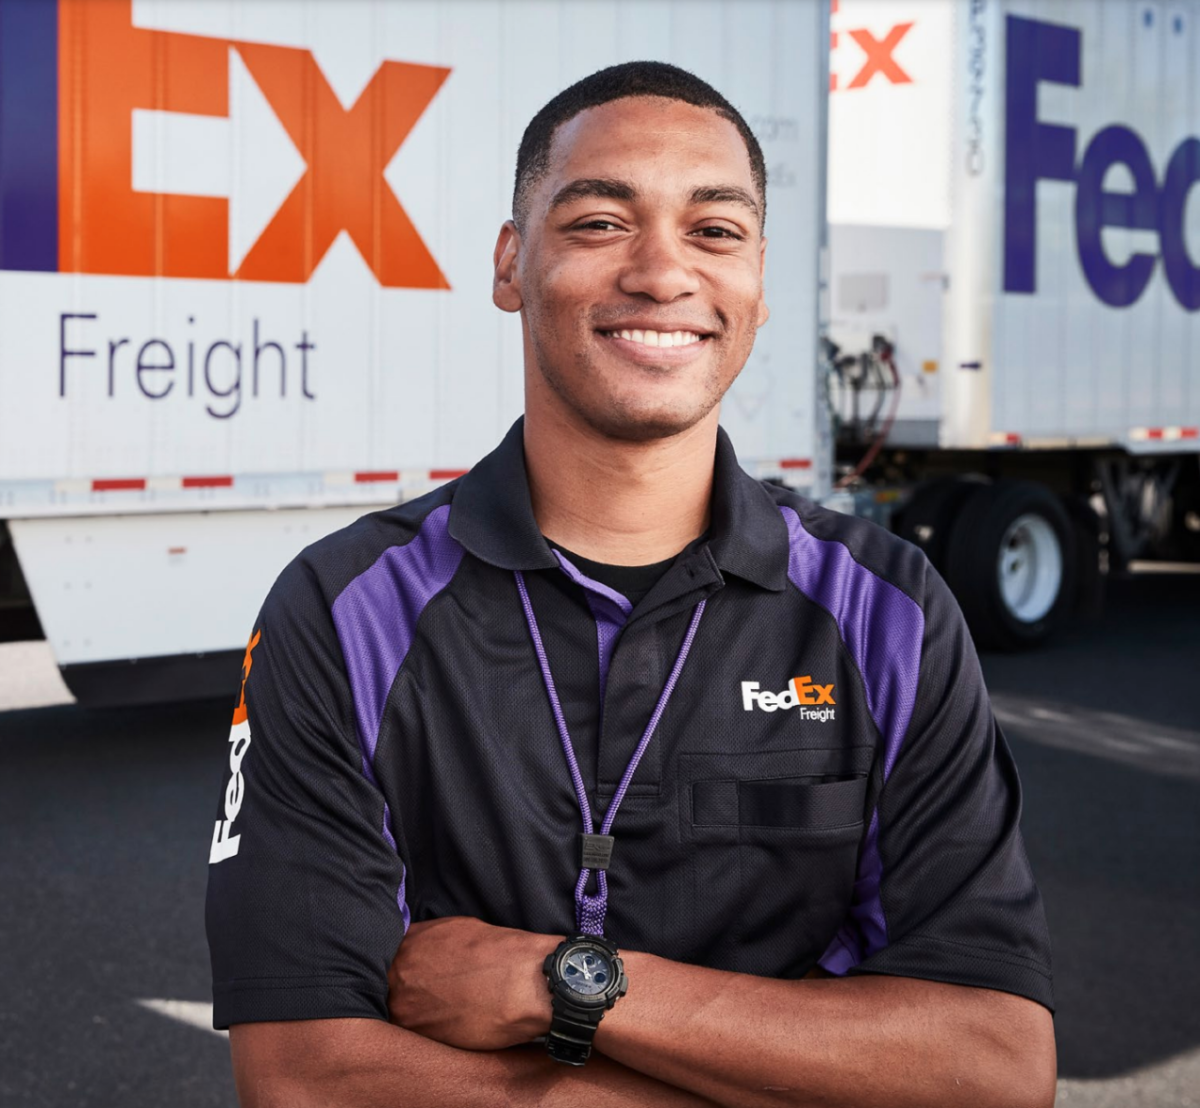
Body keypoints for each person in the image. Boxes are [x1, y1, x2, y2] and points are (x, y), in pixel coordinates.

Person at [205, 61, 1056, 1108]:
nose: (662, 273)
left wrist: (562, 985)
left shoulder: (890, 608)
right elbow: (302, 1078)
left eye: (714, 230)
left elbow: (994, 1066)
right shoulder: (344, 608)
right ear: (511, 262)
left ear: (758, 282)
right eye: (602, 220)